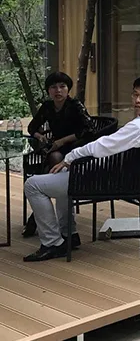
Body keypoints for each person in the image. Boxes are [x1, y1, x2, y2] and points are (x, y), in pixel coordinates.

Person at [23, 76, 140, 262]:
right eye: (135, 94)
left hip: (108, 179)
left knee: (33, 185)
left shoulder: (139, 127)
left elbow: (102, 145)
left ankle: (53, 243)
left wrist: (70, 157)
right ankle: (69, 234)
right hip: (128, 175)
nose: (138, 100)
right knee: (60, 173)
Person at [23, 71, 96, 238]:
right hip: (55, 149)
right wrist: (40, 136)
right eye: (53, 87)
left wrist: (62, 141)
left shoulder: (75, 105)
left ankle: (37, 213)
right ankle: (46, 193)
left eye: (62, 86)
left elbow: (89, 130)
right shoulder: (48, 107)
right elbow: (32, 127)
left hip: (76, 149)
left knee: (53, 160)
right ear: (48, 90)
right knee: (54, 158)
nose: (58, 91)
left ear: (68, 89)